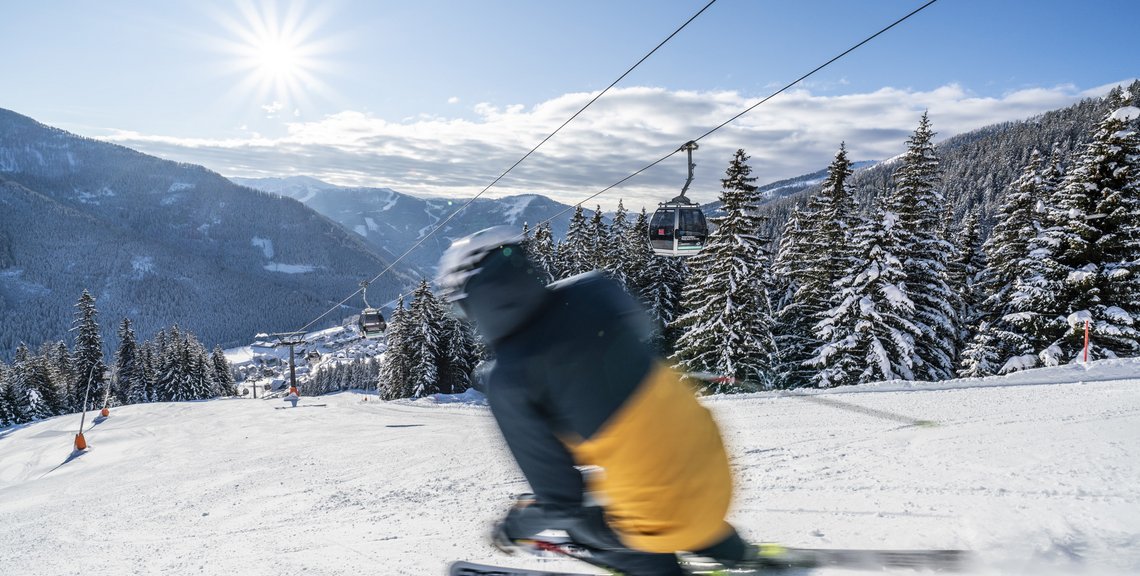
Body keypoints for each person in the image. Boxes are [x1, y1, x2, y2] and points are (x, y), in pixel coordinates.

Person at [436, 226, 752, 576]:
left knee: (584, 524)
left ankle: (658, 568)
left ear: (475, 302)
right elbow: (638, 338)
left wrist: (513, 529)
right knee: (644, 475)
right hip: (718, 476)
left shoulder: (511, 378)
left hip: (667, 516)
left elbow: (561, 503)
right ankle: (727, 548)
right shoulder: (592, 289)